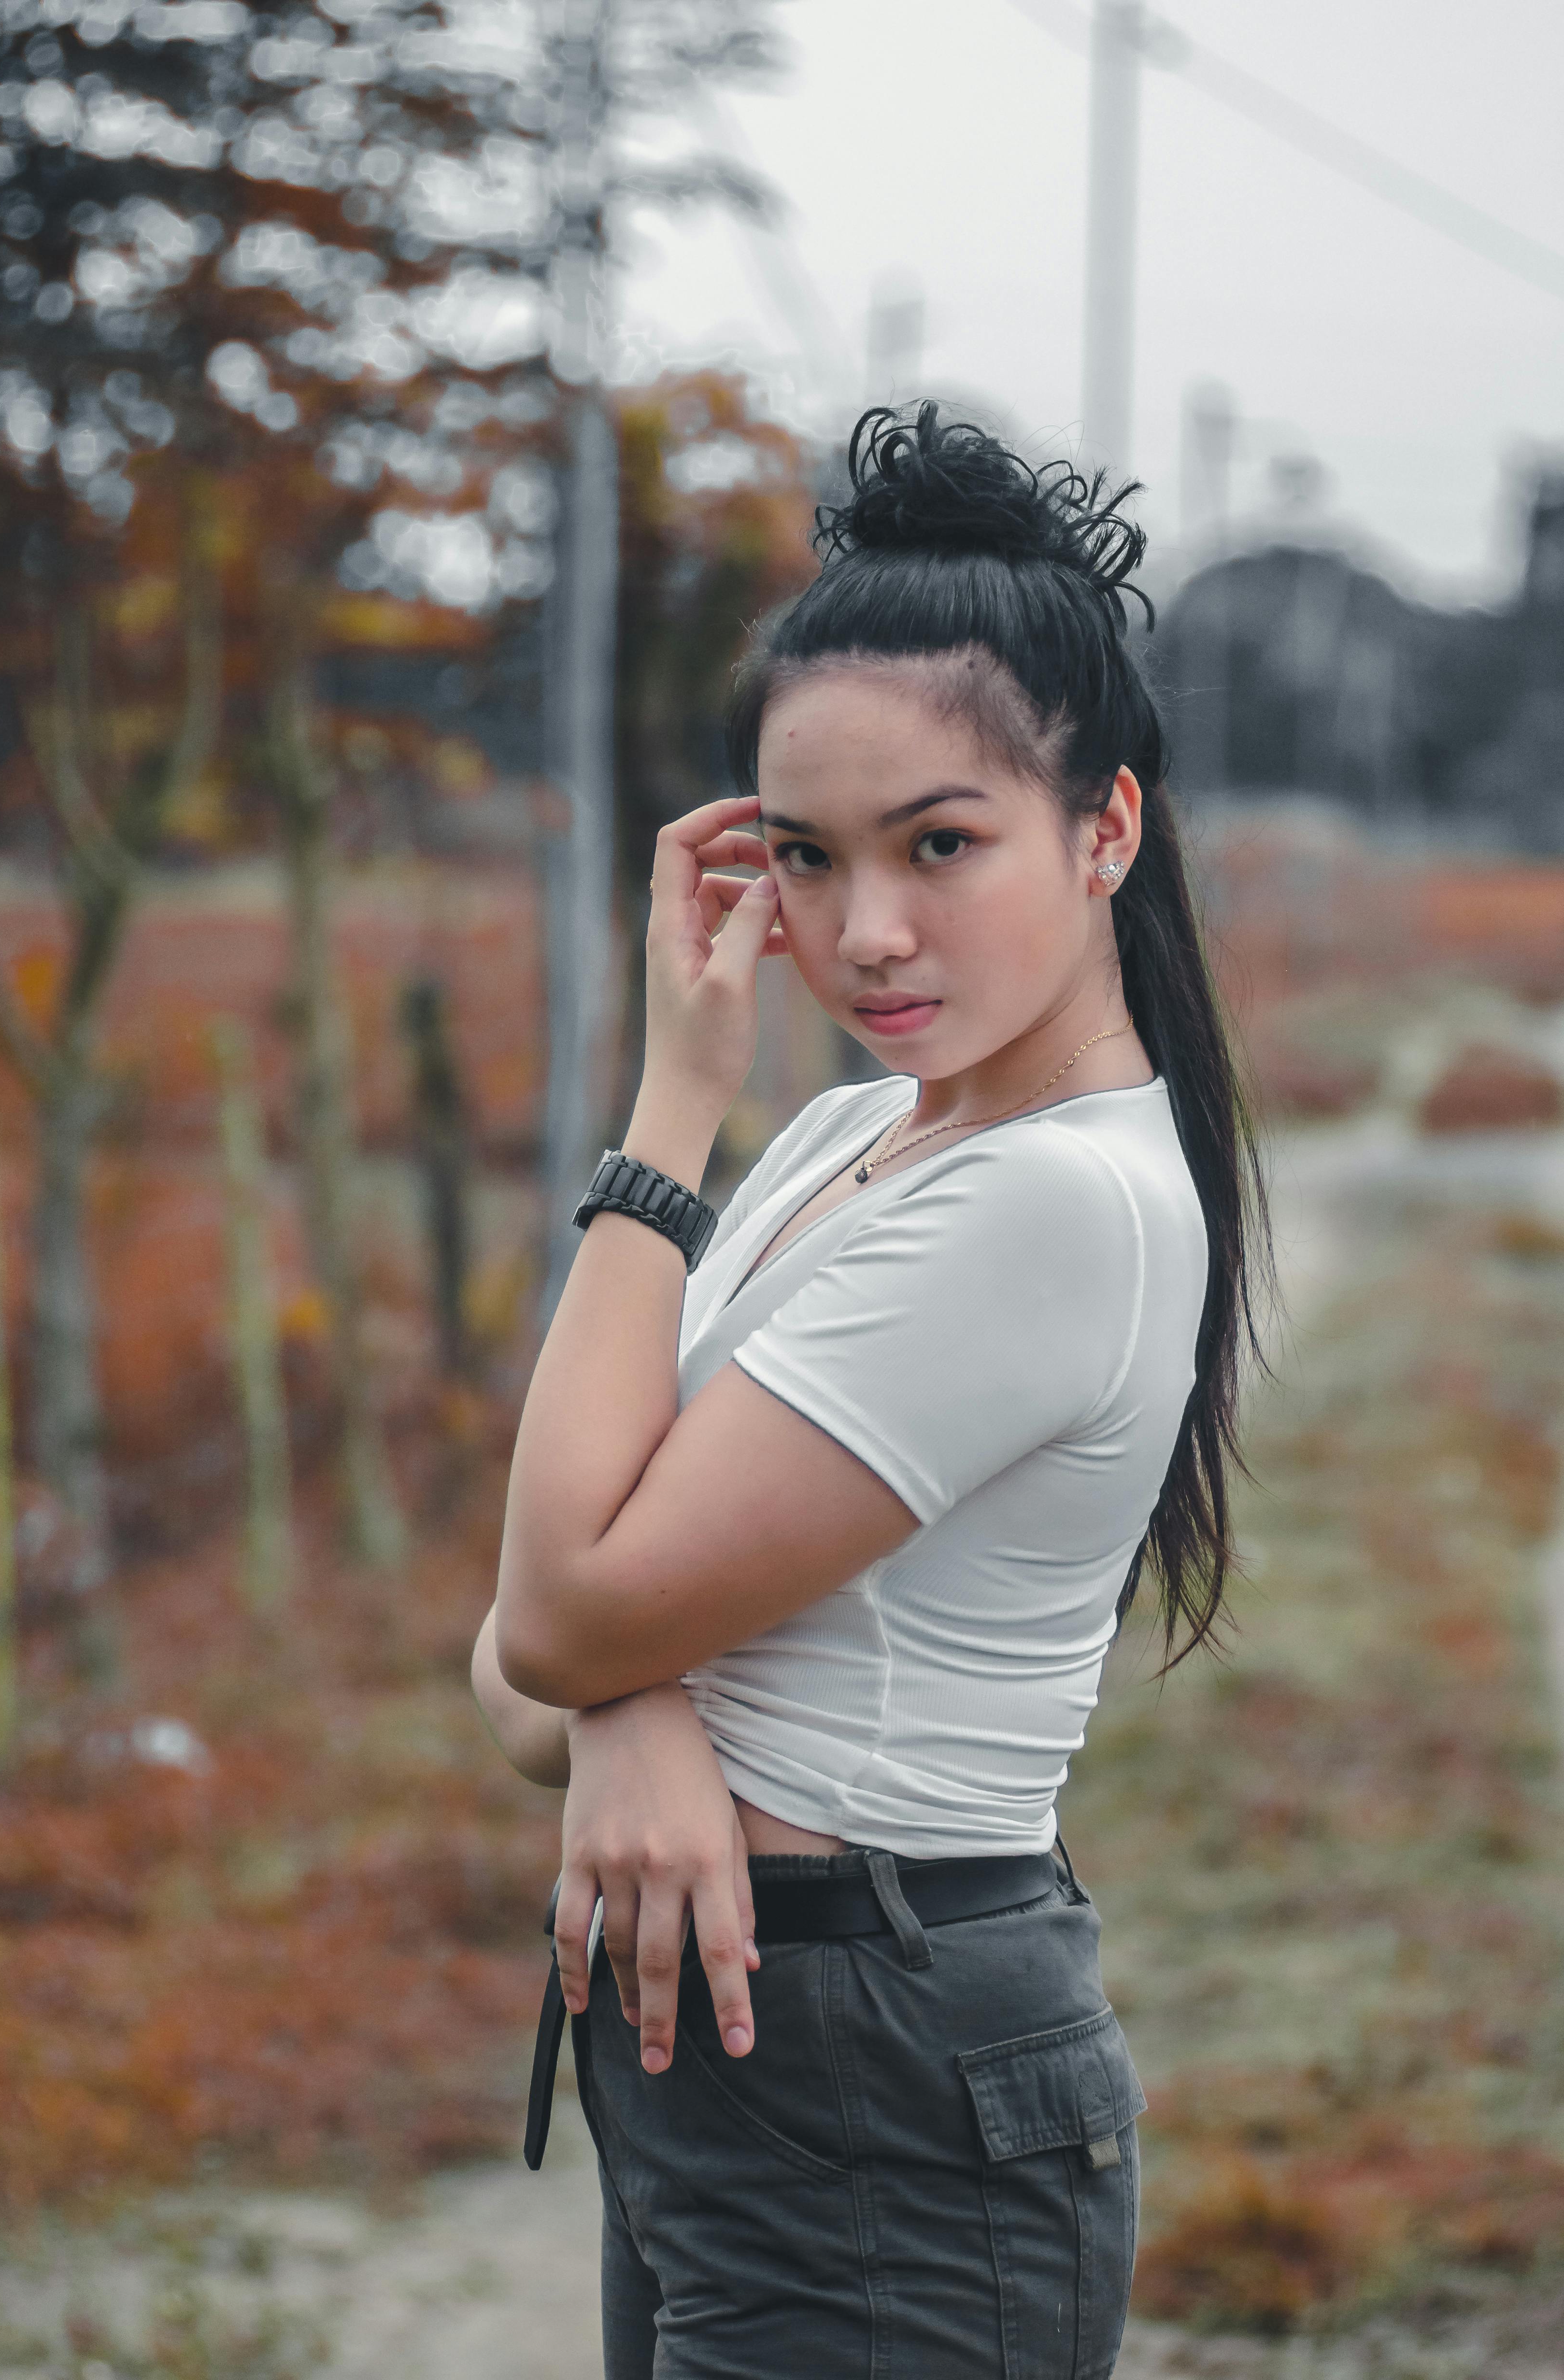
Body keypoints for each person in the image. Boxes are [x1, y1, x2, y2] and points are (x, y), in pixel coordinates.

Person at [471, 403, 1269, 2379]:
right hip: (737, 2061)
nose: (867, 932)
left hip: (881, 2081)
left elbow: (556, 1606)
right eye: (808, 858)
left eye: (942, 842)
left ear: (1109, 826)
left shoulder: (1053, 1203)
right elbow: (513, 1650)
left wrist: (666, 1108)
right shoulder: (849, 1135)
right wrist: (637, 1712)